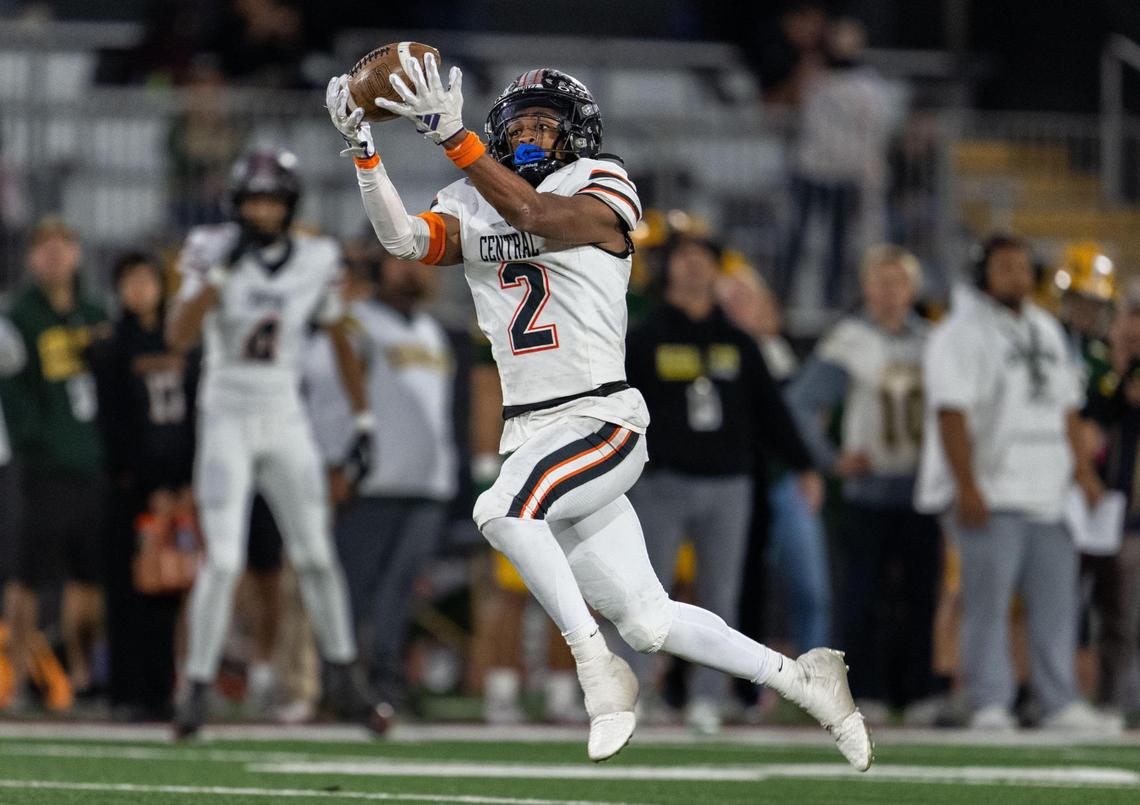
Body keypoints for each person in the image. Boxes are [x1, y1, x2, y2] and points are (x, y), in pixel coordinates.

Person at [325, 55, 872, 768]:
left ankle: (593, 665)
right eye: (516, 123)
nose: (528, 135)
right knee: (647, 619)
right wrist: (366, 154)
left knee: (501, 511)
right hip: (530, 426)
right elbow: (404, 240)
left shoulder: (603, 181)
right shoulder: (471, 195)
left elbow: (533, 214)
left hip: (597, 418)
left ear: (576, 133)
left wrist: (453, 136)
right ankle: (805, 679)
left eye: (545, 124)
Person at [166, 148, 385, 737]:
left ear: (289, 207)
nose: (262, 212)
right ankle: (198, 688)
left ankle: (343, 678)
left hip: (286, 414)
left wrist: (362, 422)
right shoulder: (211, 248)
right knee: (226, 560)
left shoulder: (317, 257)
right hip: (226, 415)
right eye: (253, 201)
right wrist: (218, 274)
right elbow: (176, 335)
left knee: (315, 553)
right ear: (236, 205)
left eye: (272, 201)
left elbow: (340, 337)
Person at [915, 233, 1118, 731]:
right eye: (1005, 267)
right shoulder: (958, 333)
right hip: (991, 491)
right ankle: (988, 701)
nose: (1017, 276)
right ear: (982, 273)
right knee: (986, 604)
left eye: (1024, 267)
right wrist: (966, 485)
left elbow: (1067, 409)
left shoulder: (1046, 329)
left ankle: (1059, 700)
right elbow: (950, 415)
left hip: (1048, 494)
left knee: (1057, 605)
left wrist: (1084, 473)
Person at [623, 233, 821, 734]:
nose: (694, 268)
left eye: (704, 259)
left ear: (716, 269)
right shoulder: (643, 338)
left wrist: (803, 466)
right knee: (646, 593)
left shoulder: (738, 342)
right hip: (659, 481)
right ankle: (637, 692)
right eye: (685, 259)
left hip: (728, 485)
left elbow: (772, 414)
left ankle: (707, 698)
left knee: (719, 598)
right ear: (669, 270)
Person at [788, 244, 940, 720]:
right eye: (881, 281)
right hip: (867, 489)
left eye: (899, 282)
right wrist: (832, 460)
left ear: (913, 289)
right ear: (867, 288)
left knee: (921, 596)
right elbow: (799, 403)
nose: (891, 292)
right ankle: (866, 692)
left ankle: (917, 693)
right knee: (862, 596)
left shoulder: (934, 339)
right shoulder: (849, 339)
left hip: (922, 488)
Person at [334, 253, 458, 712]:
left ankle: (386, 683)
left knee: (401, 594)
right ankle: (344, 687)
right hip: (372, 481)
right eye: (399, 263)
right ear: (377, 268)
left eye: (419, 264)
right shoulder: (356, 323)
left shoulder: (431, 331)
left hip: (426, 484)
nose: (413, 271)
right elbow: (334, 400)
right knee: (354, 592)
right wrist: (338, 464)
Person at [0, 216, 109, 707]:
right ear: (31, 258)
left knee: (89, 577)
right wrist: (34, 441)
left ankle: (81, 672)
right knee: (27, 577)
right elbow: (12, 389)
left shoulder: (92, 312)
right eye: (45, 247)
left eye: (64, 244)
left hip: (91, 460)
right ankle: (18, 675)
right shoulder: (20, 316)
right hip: (42, 467)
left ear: (78, 253)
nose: (55, 255)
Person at [95, 251, 198, 720]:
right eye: (129, 281)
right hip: (132, 486)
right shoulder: (112, 344)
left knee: (169, 586)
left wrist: (183, 480)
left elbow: (195, 412)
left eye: (146, 280)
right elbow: (114, 420)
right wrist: (140, 478)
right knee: (128, 586)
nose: (139, 290)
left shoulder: (182, 342)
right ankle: (127, 691)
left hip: (177, 485)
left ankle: (160, 690)